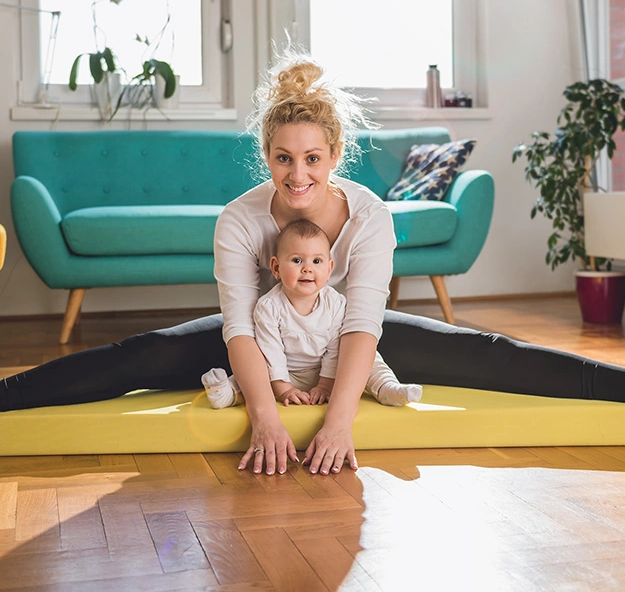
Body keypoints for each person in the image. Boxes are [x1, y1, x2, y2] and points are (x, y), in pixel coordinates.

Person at [4, 51, 625, 478]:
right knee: (138, 355)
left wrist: (340, 421)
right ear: (266, 157)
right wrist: (267, 419)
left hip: (350, 345)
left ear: (334, 155)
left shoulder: (370, 214)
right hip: (265, 343)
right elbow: (240, 329)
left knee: (488, 352)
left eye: (311, 159)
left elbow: (362, 324)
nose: (297, 176)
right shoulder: (239, 220)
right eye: (282, 159)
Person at [202, 218, 422, 410]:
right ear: (276, 268)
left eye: (317, 261)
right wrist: (284, 389)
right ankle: (226, 393)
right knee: (252, 370)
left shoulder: (335, 303)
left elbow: (337, 347)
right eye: (297, 260)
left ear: (329, 268)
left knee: (367, 357)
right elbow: (271, 352)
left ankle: (387, 388)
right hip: (285, 372)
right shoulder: (268, 306)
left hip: (329, 371)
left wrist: (326, 385)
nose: (307, 268)